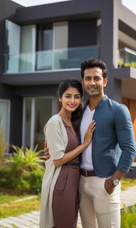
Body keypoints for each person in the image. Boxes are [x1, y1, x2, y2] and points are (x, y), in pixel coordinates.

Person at [45, 58, 136, 227]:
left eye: (97, 78)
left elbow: (130, 149)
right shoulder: (79, 112)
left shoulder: (118, 110)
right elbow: (66, 136)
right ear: (83, 82)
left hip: (104, 182)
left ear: (105, 81)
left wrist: (114, 180)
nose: (92, 82)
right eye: (88, 78)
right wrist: (49, 146)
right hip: (80, 183)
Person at [39, 78, 96, 228]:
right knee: (64, 224)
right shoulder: (55, 122)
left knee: (70, 223)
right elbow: (58, 160)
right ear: (60, 98)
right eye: (68, 96)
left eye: (77, 96)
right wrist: (85, 144)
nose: (72, 100)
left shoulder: (74, 121)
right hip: (62, 180)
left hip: (75, 179)